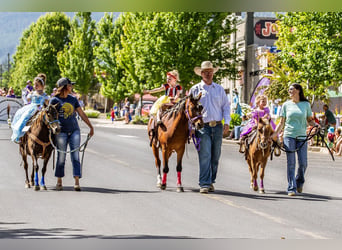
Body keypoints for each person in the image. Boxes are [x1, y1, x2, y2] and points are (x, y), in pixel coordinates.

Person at [189, 61, 230, 194]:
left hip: (217, 125)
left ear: (213, 73)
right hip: (202, 126)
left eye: (210, 71)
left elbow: (225, 106)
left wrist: (227, 122)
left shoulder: (219, 89)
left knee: (215, 155)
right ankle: (204, 183)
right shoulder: (195, 89)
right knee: (205, 154)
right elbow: (189, 109)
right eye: (205, 72)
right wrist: (191, 127)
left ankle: (211, 180)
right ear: (201, 74)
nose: (208, 74)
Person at [272, 83, 318, 196]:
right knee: (291, 163)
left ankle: (299, 182)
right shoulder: (286, 105)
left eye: (291, 89)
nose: (289, 91)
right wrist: (275, 134)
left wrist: (316, 125)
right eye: (289, 90)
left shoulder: (306, 104)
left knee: (303, 163)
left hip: (302, 136)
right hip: (289, 135)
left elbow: (309, 120)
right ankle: (291, 188)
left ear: (298, 90)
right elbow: (282, 122)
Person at [50, 77, 94, 192]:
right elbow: (50, 118)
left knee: (75, 156)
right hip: (61, 132)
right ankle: (59, 181)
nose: (71, 87)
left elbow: (82, 114)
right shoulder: (54, 101)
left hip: (74, 130)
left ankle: (76, 181)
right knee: (61, 156)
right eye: (70, 85)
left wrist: (90, 126)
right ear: (64, 87)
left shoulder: (73, 100)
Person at [11, 74, 49, 142]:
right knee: (25, 119)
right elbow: (28, 100)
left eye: (37, 85)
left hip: (42, 110)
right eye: (34, 85)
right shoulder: (32, 94)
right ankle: (20, 135)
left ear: (42, 86)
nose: (35, 86)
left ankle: (51, 138)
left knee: (49, 121)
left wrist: (43, 106)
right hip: (33, 109)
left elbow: (47, 104)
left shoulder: (45, 95)